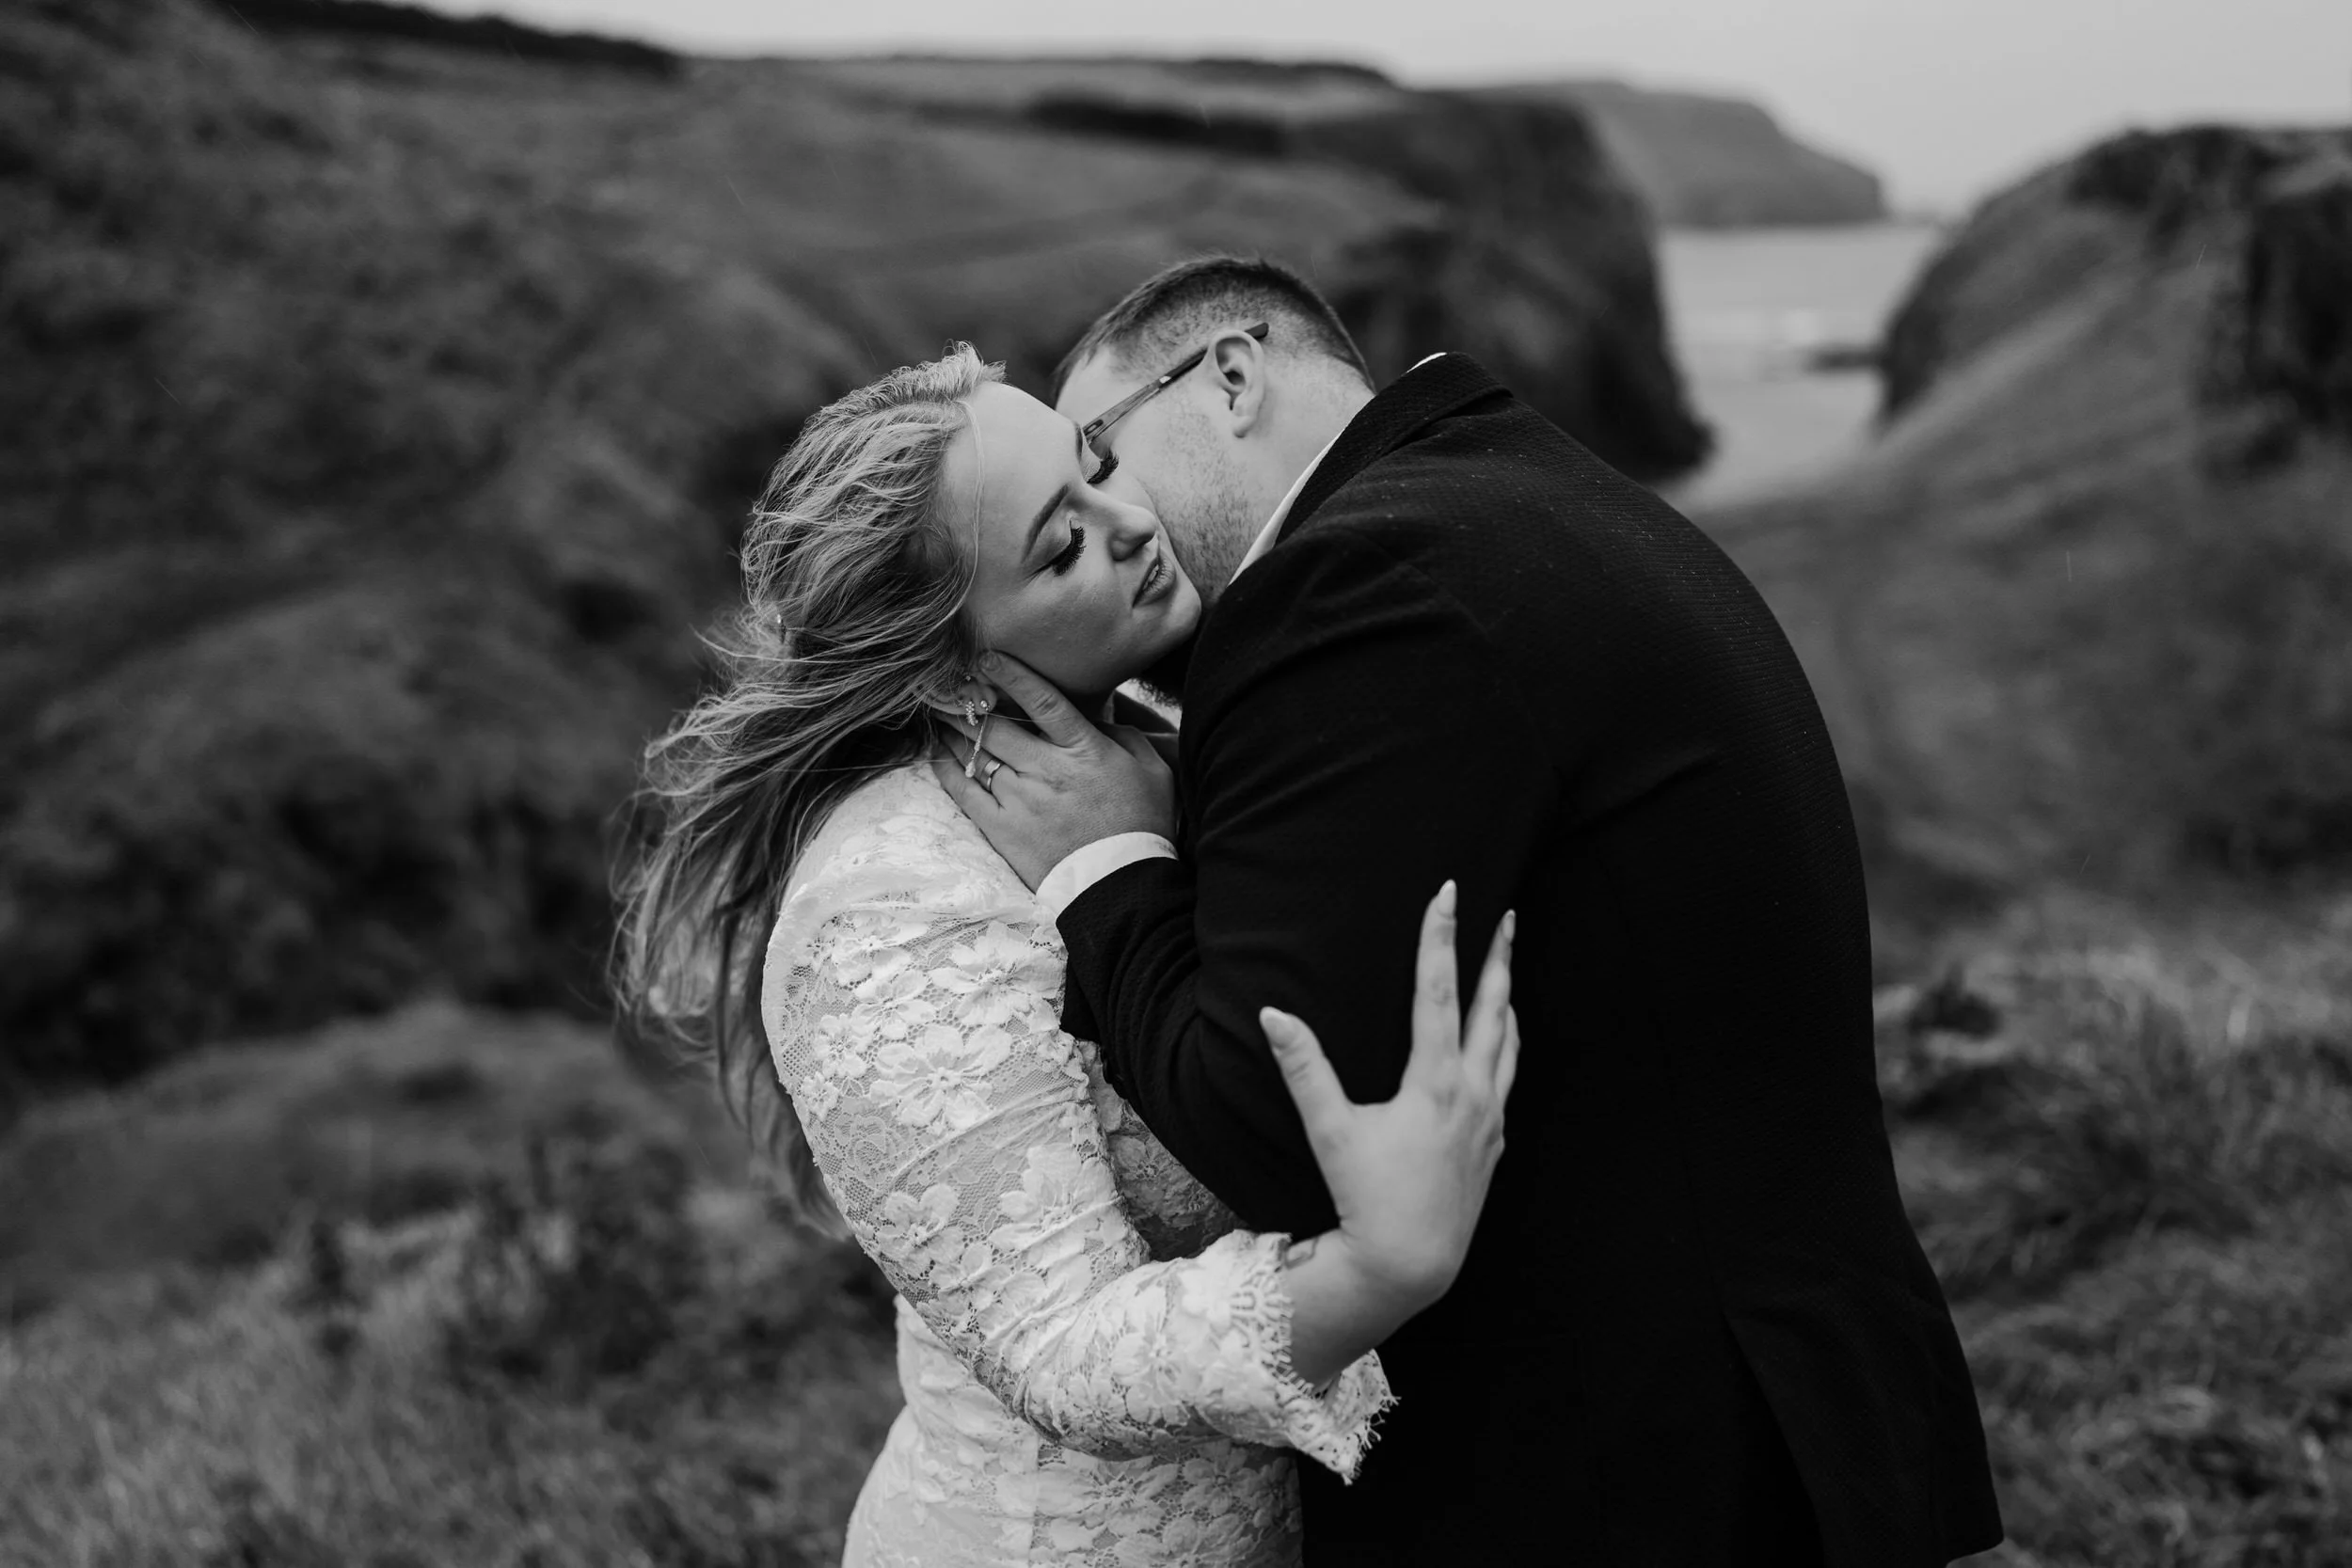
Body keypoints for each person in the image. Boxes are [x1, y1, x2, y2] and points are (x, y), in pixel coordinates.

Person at [930, 257, 2006, 1567]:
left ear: (1232, 376)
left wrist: (1109, 869)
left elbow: (1277, 1120)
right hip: (1785, 1414)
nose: (1120, 514)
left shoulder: (1352, 586)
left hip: (1628, 1475)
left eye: (1102, 453)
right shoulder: (1537, 499)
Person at [613, 342, 1524, 1568]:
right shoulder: (887, 906)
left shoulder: (1167, 739)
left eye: (1095, 465)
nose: (1133, 521)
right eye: (1061, 547)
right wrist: (1376, 1270)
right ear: (952, 670)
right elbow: (1057, 1349)